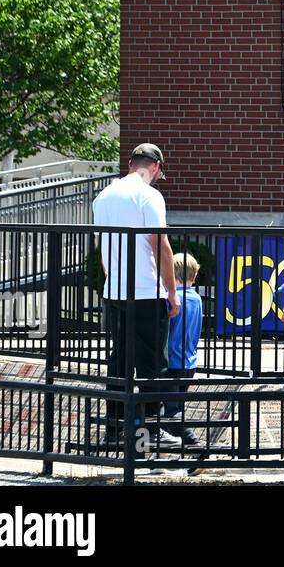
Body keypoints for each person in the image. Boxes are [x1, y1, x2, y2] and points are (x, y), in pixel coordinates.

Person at [93, 143, 181, 448]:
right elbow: (161, 245)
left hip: (115, 292)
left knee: (119, 362)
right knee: (152, 364)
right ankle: (149, 435)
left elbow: (102, 249)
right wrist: (172, 292)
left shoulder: (104, 196)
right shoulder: (149, 195)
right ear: (154, 167)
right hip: (146, 293)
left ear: (132, 163)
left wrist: (113, 280)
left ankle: (114, 431)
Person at [161, 252, 204, 447]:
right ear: (194, 277)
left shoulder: (172, 300)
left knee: (170, 411)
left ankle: (194, 445)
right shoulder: (197, 299)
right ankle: (164, 457)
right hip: (189, 363)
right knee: (174, 407)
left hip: (172, 362)